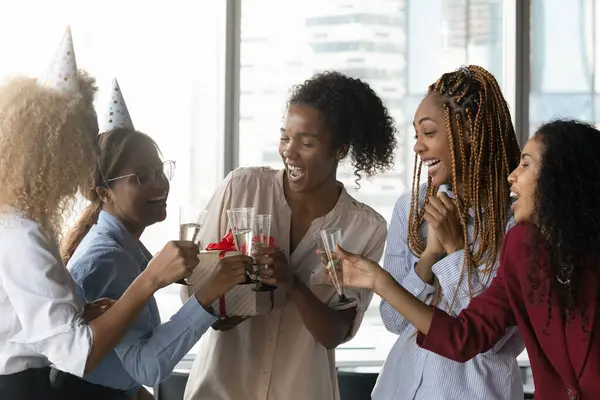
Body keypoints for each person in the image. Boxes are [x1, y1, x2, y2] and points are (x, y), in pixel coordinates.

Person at [335, 119, 600, 400]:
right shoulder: (523, 247)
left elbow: (495, 348)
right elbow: (466, 335)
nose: (512, 176)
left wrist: (456, 252)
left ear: (562, 177)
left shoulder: (511, 231)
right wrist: (379, 281)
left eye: (526, 164)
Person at [0, 31, 197, 400]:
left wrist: (87, 312)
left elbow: (26, 326)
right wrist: (152, 278)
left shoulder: (18, 225)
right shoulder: (22, 234)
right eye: (88, 140)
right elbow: (78, 355)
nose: (94, 153)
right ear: (60, 147)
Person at [182, 71, 394, 400]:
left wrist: (292, 284)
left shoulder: (365, 228)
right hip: (220, 390)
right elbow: (194, 297)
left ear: (340, 149)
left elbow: (335, 332)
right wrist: (224, 306)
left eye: (306, 143)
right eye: (285, 137)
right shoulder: (241, 189)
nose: (289, 152)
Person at [53, 79, 249, 400]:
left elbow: (125, 366)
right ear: (105, 194)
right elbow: (145, 366)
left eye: (160, 171)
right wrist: (208, 294)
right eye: (141, 177)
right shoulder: (106, 261)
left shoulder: (127, 250)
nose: (159, 185)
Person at [373, 65, 524, 399]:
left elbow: (490, 341)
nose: (418, 147)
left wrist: (456, 252)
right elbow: (394, 321)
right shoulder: (409, 209)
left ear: (469, 130)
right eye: (416, 135)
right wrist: (429, 257)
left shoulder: (517, 223)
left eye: (428, 133)